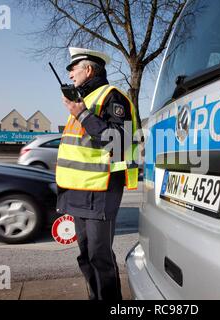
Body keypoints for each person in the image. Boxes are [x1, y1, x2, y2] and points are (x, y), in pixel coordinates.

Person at [56, 47, 140, 300]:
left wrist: (81, 114)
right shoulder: (84, 101)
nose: (70, 74)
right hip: (80, 190)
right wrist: (80, 111)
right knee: (85, 255)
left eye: (74, 68)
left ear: (89, 69)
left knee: (99, 256)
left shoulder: (113, 97)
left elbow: (119, 142)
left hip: (101, 188)